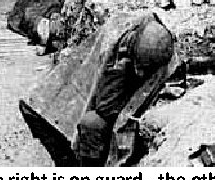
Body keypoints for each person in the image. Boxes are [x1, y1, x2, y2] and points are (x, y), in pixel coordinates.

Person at [74, 13, 175, 166]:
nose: (141, 73)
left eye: (146, 69)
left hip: (139, 121)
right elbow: (103, 105)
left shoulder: (168, 64)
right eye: (139, 67)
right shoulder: (118, 53)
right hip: (114, 115)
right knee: (92, 123)